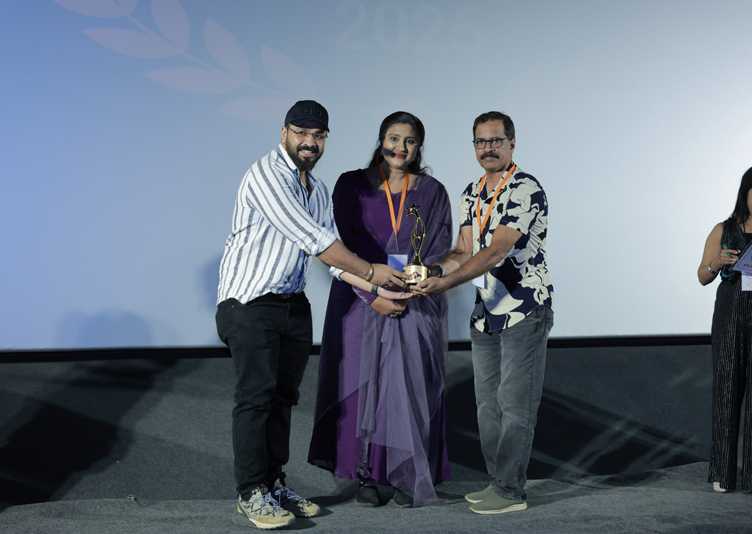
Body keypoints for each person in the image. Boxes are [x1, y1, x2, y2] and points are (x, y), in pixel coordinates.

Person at [216, 100, 406, 530]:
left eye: (318, 135)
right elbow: (315, 241)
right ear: (283, 133)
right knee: (256, 399)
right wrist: (373, 272)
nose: (310, 141)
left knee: (282, 400)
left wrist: (376, 291)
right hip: (249, 303)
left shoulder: (317, 189)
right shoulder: (265, 175)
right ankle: (250, 493)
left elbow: (333, 260)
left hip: (291, 304)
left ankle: (273, 484)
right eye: (301, 133)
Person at [307, 112, 453, 507]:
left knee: (409, 387)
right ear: (381, 140)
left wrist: (418, 282)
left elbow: (440, 247)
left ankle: (404, 474)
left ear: (418, 147)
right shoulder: (351, 184)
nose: (400, 148)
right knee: (362, 387)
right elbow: (336, 247)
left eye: (410, 141)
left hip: (415, 302)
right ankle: (366, 476)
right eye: (393, 138)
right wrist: (374, 295)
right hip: (359, 301)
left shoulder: (433, 191)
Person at [412, 111, 554, 514]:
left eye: (495, 140)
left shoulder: (525, 188)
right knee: (487, 406)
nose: (488, 148)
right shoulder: (471, 192)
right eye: (481, 141)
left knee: (515, 405)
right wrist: (434, 271)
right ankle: (498, 482)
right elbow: (463, 250)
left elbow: (495, 251)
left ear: (512, 143)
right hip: (486, 313)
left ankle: (510, 491)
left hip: (524, 309)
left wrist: (446, 284)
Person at [698, 163, 752, 496]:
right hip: (731, 313)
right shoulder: (723, 229)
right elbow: (702, 276)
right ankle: (723, 472)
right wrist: (717, 263)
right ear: (745, 193)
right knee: (727, 388)